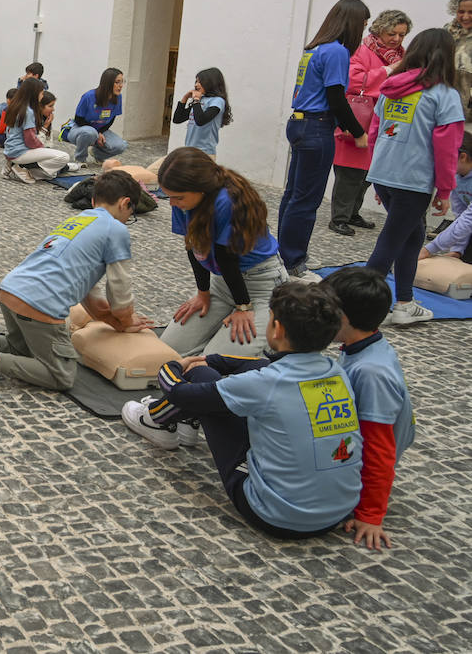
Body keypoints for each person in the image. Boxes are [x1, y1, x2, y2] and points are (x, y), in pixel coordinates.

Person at [123, 282, 363, 539]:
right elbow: (262, 364)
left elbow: (180, 393)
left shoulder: (266, 383)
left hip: (277, 516)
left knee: (202, 378)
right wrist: (213, 359)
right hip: (338, 512)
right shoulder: (337, 372)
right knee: (217, 376)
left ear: (277, 329)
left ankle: (155, 419)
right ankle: (186, 421)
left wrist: (174, 366)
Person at [0, 171, 151, 391]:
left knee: (19, 348)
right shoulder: (116, 230)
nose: (127, 220)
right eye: (131, 215)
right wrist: (125, 319)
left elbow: (91, 296)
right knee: (61, 375)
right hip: (41, 303)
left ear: (93, 201)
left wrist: (114, 321)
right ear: (125, 203)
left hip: (11, 290)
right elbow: (120, 288)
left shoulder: (79, 221)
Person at [364, 27, 465, 325]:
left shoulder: (391, 87)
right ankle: (357, 309)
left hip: (385, 174)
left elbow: (375, 133)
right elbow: (448, 148)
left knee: (413, 236)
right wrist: (445, 191)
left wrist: (377, 176)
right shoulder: (445, 95)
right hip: (413, 180)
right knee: (391, 241)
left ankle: (405, 303)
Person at [157, 147, 286, 357]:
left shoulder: (227, 202)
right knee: (169, 350)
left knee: (215, 361)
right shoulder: (182, 201)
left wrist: (243, 307)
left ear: (201, 190)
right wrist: (203, 293)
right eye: (169, 196)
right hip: (223, 283)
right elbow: (193, 245)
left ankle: (271, 335)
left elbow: (227, 259)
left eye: (177, 197)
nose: (172, 203)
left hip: (260, 286)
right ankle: (224, 329)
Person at [276, 0, 370, 278]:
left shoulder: (314, 48)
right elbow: (336, 98)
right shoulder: (337, 51)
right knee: (306, 200)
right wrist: (358, 131)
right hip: (316, 127)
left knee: (293, 195)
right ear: (352, 24)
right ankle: (294, 262)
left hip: (299, 123)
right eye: (363, 25)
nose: (363, 31)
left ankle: (282, 255)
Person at [323, 267, 415, 551]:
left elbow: (379, 449)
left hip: (360, 460)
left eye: (322, 311)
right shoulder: (362, 344)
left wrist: (371, 515)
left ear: (342, 318)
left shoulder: (372, 373)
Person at [329, 10, 411, 235]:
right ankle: (339, 217)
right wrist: (388, 70)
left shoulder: (401, 55)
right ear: (379, 30)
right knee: (349, 172)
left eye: (402, 35)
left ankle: (353, 213)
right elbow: (353, 80)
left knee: (368, 173)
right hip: (360, 118)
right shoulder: (361, 50)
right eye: (392, 34)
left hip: (385, 120)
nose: (397, 39)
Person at [2, 83, 72, 182]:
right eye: (41, 93)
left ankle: (16, 166)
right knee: (63, 158)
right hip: (20, 152)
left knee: (53, 170)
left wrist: (43, 149)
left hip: (12, 151)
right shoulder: (29, 112)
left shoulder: (20, 108)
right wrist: (44, 134)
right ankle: (23, 170)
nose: (53, 109)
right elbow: (30, 140)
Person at [64, 68, 128, 165]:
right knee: (90, 133)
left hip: (100, 130)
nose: (121, 85)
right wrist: (97, 134)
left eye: (122, 82)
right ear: (108, 83)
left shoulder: (118, 98)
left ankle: (97, 154)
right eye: (117, 82)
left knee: (121, 146)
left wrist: (100, 132)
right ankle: (80, 159)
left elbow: (111, 119)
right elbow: (79, 120)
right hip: (80, 129)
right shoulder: (89, 96)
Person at [172, 67, 232, 157]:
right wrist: (185, 98)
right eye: (196, 81)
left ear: (210, 82)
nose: (196, 85)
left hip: (204, 153)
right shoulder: (201, 99)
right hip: (189, 150)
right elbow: (177, 119)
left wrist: (196, 100)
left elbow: (201, 120)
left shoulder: (217, 101)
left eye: (200, 82)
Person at [445, 0, 472, 120]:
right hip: (448, 107)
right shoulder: (447, 32)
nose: (465, 17)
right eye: (461, 11)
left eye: (471, 12)